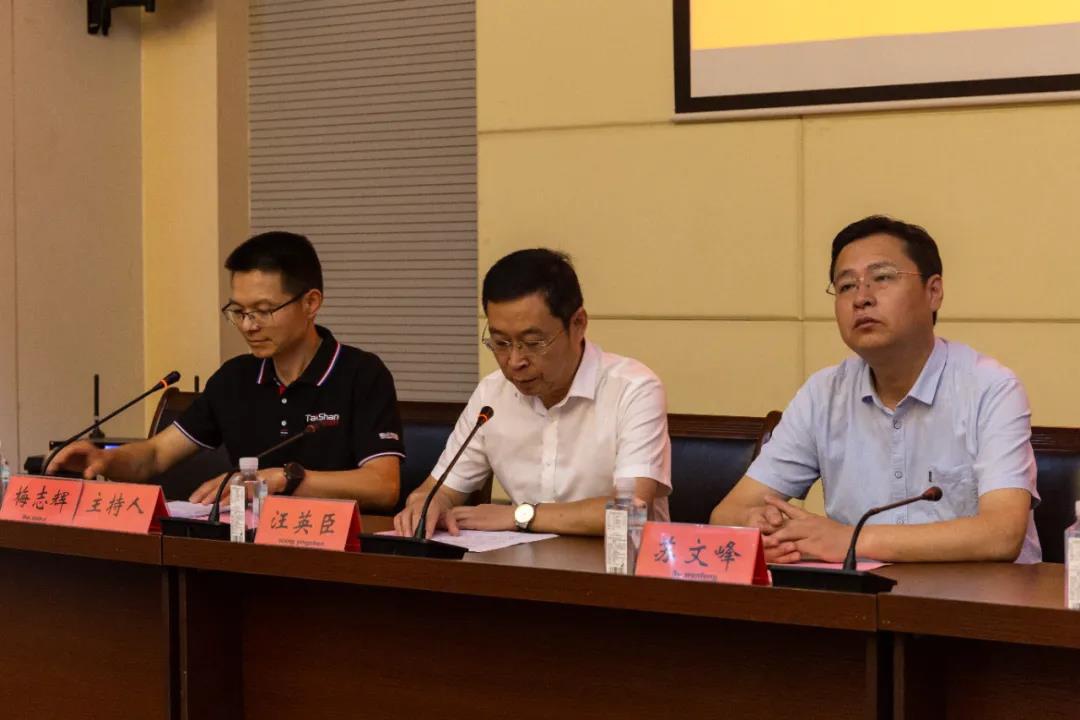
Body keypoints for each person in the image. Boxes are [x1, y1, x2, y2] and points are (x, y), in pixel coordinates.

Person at [710, 216, 1040, 563]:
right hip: (861, 595)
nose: (861, 298)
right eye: (846, 286)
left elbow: (1001, 534)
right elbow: (726, 514)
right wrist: (760, 528)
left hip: (980, 594)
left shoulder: (990, 387)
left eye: (882, 278)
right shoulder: (823, 394)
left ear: (933, 292)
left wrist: (850, 540)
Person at [49, 231, 403, 511]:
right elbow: (156, 455)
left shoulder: (361, 374)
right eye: (239, 311)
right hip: (243, 551)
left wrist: (282, 479)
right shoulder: (235, 378)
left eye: (263, 310)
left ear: (310, 303)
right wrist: (104, 459)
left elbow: (383, 486)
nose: (248, 325)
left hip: (334, 555)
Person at [394, 248, 671, 537]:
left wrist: (519, 515)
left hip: (618, 562)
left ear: (578, 324)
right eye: (501, 343)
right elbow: (438, 490)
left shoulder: (633, 388)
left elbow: (628, 512)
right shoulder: (492, 394)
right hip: (524, 562)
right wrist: (426, 504)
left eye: (533, 343)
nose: (515, 361)